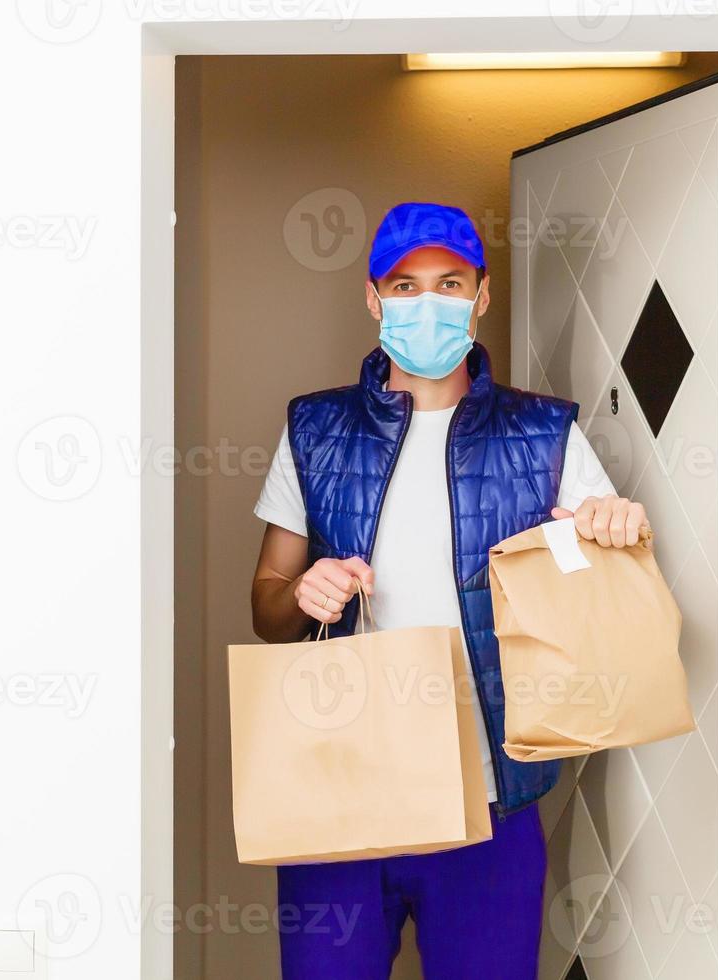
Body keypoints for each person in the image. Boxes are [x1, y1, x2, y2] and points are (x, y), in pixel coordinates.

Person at [250, 201, 649, 979]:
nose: (426, 303)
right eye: (404, 287)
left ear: (482, 294)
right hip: (338, 791)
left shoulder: (546, 435)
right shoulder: (315, 430)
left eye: (448, 283)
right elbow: (266, 604)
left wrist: (613, 531)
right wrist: (304, 591)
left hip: (490, 801)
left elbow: (598, 596)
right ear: (373, 299)